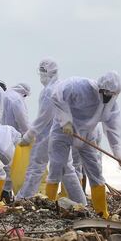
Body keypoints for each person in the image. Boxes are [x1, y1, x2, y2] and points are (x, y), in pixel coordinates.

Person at [48, 72, 121, 219]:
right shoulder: (78, 86)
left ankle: (102, 213)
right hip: (62, 131)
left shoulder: (112, 105)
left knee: (96, 172)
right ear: (100, 88)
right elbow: (57, 95)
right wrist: (66, 121)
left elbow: (113, 130)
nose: (107, 97)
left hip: (86, 136)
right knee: (57, 167)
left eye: (111, 94)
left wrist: (120, 155)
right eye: (105, 93)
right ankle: (47, 206)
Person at [17, 59, 82, 201]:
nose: (40, 75)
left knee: (36, 166)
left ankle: (24, 198)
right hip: (62, 135)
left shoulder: (48, 91)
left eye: (41, 72)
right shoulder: (61, 86)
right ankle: (80, 201)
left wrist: (28, 136)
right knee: (67, 169)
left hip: (47, 135)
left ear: (46, 72)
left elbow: (43, 118)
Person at [0, 82, 31, 201]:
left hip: (1, 134)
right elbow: (22, 119)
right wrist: (28, 135)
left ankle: (2, 192)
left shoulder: (5, 95)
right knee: (12, 166)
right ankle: (7, 193)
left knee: (3, 165)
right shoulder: (17, 99)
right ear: (24, 93)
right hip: (14, 135)